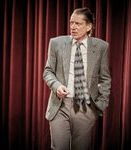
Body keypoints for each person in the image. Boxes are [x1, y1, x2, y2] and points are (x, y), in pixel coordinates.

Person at [43, 7, 111, 150]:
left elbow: (105, 78)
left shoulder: (101, 47)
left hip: (85, 108)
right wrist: (56, 86)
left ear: (89, 26)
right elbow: (48, 71)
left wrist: (99, 105)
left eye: (78, 23)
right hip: (60, 105)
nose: (73, 27)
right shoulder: (56, 43)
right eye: (71, 23)